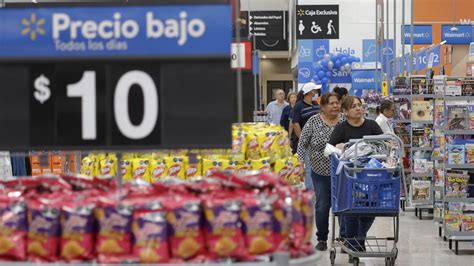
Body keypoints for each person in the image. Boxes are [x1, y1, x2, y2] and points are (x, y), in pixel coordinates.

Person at [328, 96, 383, 260]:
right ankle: (354, 246)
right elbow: (330, 149)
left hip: (370, 179)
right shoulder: (341, 129)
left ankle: (358, 239)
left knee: (369, 211)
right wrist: (339, 148)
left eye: (359, 105)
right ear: (345, 111)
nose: (358, 108)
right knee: (350, 212)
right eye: (354, 106)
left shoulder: (372, 125)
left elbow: (383, 145)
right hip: (348, 179)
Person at [297, 92, 345, 251]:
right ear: (322, 106)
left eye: (337, 103)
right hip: (320, 171)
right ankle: (322, 238)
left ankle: (345, 237)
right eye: (331, 103)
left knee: (344, 204)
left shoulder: (345, 121)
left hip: (343, 171)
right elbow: (302, 144)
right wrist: (301, 164)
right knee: (323, 205)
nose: (335, 106)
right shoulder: (313, 121)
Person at [292, 82, 321, 190]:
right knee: (308, 167)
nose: (317, 93)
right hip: (307, 142)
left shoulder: (316, 105)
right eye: (315, 91)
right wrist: (303, 139)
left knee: (317, 166)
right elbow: (295, 124)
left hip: (318, 141)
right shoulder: (299, 106)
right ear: (310, 92)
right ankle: (310, 191)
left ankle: (317, 188)